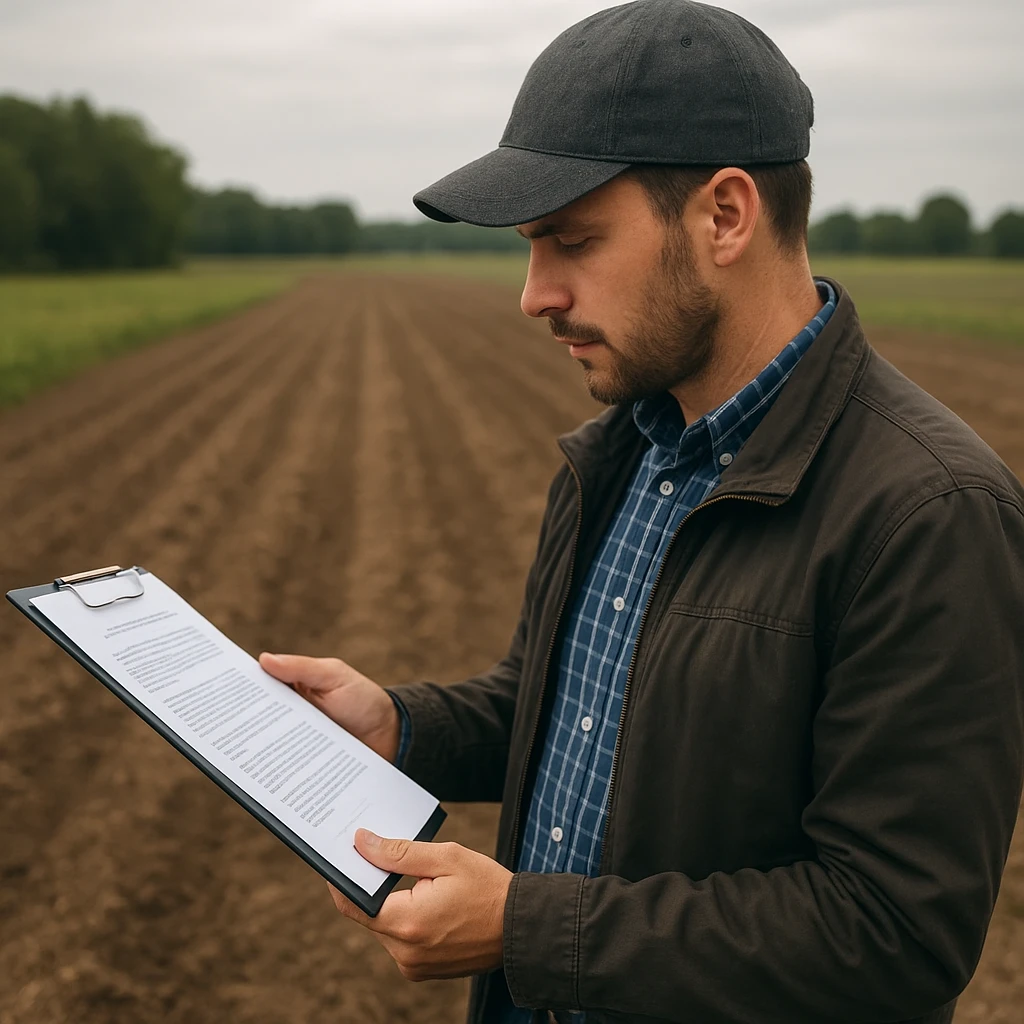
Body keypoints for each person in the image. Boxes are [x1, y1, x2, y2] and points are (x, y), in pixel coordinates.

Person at [260, 2, 1024, 1022]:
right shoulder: (628, 448)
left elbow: (892, 928)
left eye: (572, 240)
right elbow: (579, 706)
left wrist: (527, 928)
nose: (535, 294)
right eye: (532, 247)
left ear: (723, 215)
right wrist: (400, 725)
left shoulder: (927, 512)